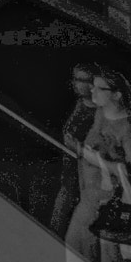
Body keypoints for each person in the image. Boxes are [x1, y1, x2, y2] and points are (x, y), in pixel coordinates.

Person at [65, 67, 131, 262]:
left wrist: (98, 160)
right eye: (93, 86)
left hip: (112, 199)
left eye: (100, 88)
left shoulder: (128, 128)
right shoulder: (99, 114)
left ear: (117, 95)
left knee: (111, 259)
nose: (92, 91)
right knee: (76, 242)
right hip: (90, 193)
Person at [50, 64, 98, 241]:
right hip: (70, 166)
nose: (75, 83)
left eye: (81, 79)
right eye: (75, 78)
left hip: (85, 170)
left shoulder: (98, 113)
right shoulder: (80, 103)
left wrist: (76, 146)